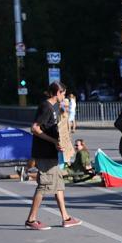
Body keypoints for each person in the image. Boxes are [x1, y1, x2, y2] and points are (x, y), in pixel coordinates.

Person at [25, 81, 82, 230]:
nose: (64, 96)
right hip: (44, 153)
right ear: (57, 92)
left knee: (58, 185)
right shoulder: (46, 107)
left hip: (51, 152)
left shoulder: (55, 108)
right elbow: (35, 128)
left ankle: (66, 217)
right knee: (44, 185)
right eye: (63, 93)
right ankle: (31, 219)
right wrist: (53, 140)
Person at [58, 98, 75, 163]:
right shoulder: (61, 112)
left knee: (67, 152)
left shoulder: (66, 113)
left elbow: (68, 124)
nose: (67, 108)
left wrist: (69, 132)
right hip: (61, 135)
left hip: (66, 135)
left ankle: (66, 163)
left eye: (68, 106)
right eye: (66, 106)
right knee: (63, 151)